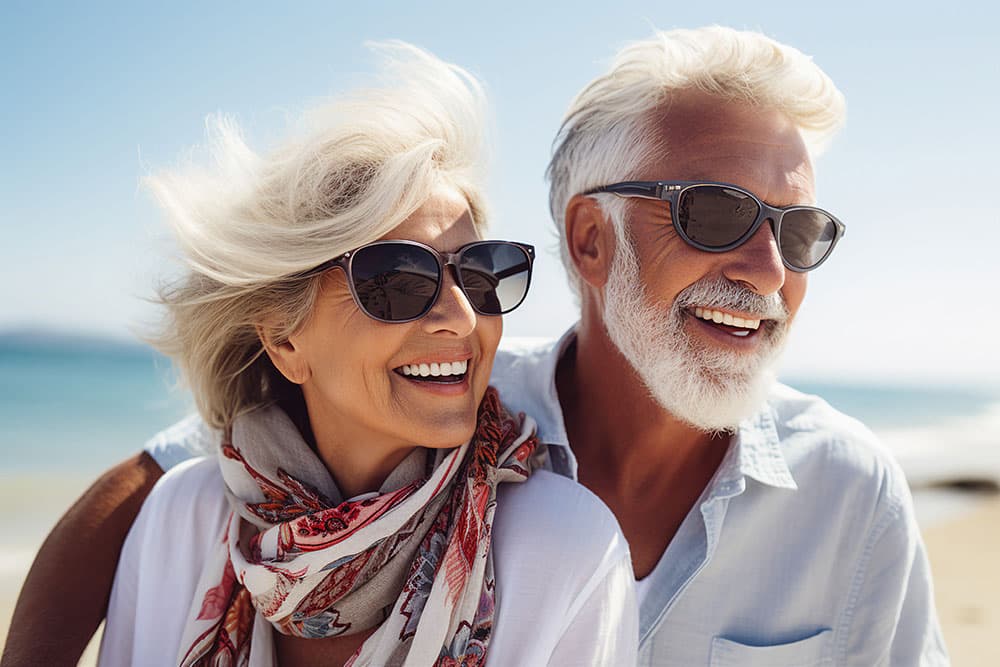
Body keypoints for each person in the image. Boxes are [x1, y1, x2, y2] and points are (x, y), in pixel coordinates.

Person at [4, 26, 947, 666]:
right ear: (588, 239)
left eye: (798, 231)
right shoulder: (456, 401)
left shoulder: (852, 494)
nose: (766, 269)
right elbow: (172, 475)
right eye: (715, 213)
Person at [9, 43, 639, 667]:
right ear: (285, 340)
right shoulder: (183, 518)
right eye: (399, 279)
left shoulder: (569, 553)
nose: (463, 317)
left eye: (480, 274)